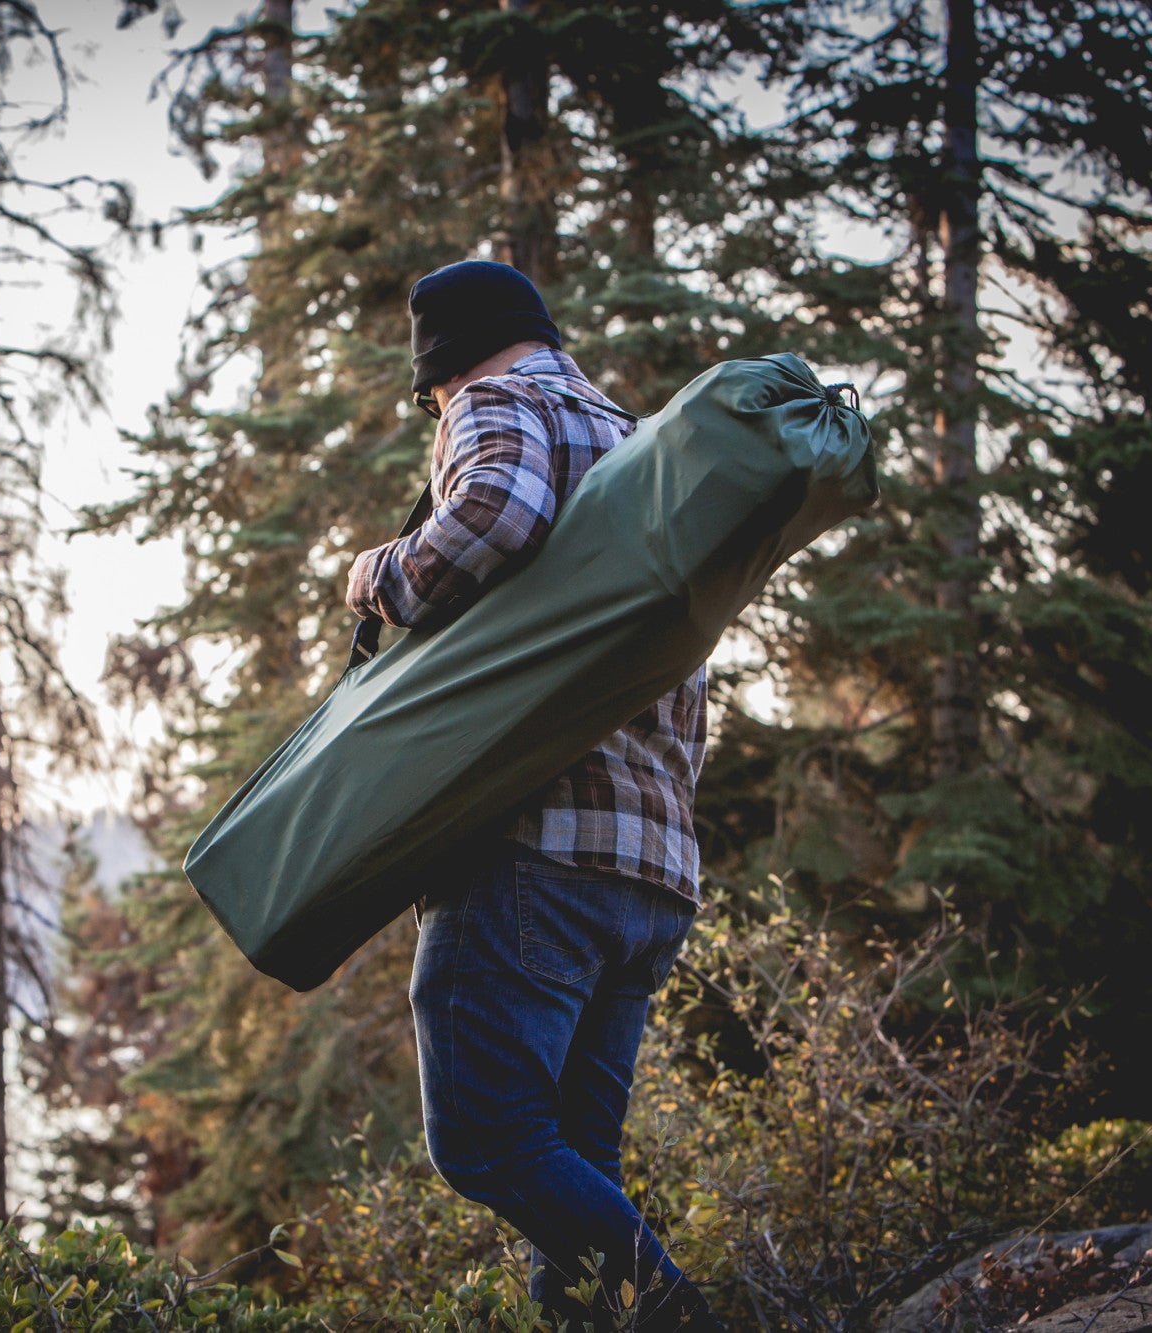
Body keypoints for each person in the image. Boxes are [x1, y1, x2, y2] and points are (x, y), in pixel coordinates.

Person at [344, 259, 723, 1332]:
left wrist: (378, 573)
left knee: (484, 1139)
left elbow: (497, 513)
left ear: (441, 368)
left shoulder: (496, 402)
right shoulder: (642, 442)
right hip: (649, 871)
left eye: (429, 395)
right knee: (574, 1170)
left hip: (536, 851)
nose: (435, 411)